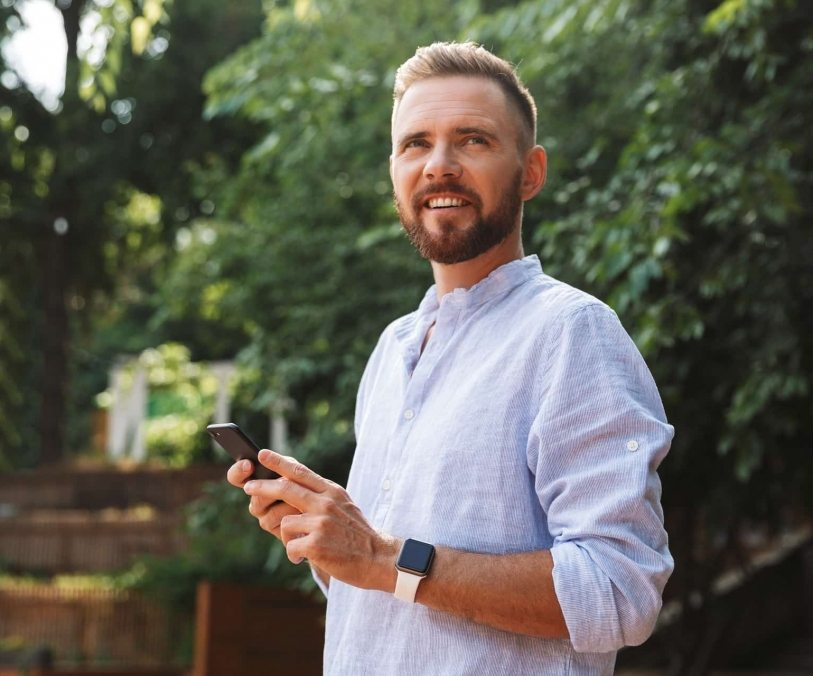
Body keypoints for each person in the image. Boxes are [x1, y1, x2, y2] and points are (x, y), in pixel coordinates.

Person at [228, 41, 674, 675]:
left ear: (531, 173)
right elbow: (387, 591)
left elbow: (617, 591)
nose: (439, 165)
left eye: (473, 140)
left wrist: (381, 558)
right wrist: (331, 539)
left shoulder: (571, 334)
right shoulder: (393, 349)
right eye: (416, 144)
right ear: (394, 170)